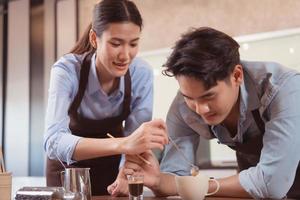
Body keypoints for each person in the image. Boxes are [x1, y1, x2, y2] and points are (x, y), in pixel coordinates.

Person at [123, 27, 300, 199]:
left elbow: (271, 184)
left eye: (209, 96)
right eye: (190, 98)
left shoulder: (285, 90)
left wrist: (200, 186)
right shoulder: (184, 106)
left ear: (236, 76)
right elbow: (173, 179)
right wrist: (158, 181)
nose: (200, 109)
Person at [43, 0, 168, 196]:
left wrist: (126, 173)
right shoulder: (67, 70)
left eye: (133, 44)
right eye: (116, 43)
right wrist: (122, 144)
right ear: (94, 38)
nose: (125, 55)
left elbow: (136, 143)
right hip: (68, 172)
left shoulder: (141, 73)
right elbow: (53, 142)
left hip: (114, 171)